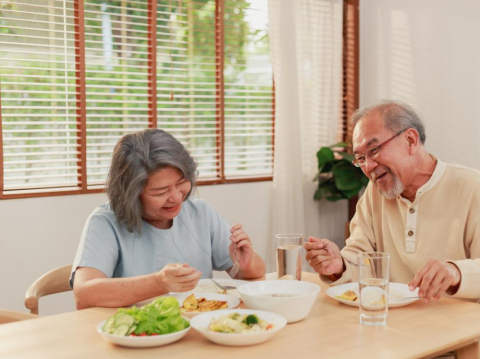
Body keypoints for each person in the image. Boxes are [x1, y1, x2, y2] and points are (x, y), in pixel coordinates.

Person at [305, 100, 480, 302]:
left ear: (410, 140)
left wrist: (456, 271)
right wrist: (339, 265)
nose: (368, 166)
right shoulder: (375, 192)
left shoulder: (472, 186)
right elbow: (361, 256)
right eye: (360, 158)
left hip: (460, 327)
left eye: (374, 150)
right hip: (391, 321)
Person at [70, 129, 265, 309]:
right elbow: (84, 295)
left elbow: (252, 273)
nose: (176, 197)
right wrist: (158, 283)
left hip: (196, 333)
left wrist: (243, 266)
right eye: (160, 191)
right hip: (134, 336)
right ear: (131, 194)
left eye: (181, 183)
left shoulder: (200, 212)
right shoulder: (105, 223)